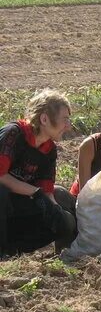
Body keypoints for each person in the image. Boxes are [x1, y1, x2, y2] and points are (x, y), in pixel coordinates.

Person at [0, 89, 77, 256]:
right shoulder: (13, 134)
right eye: (65, 119)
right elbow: (1, 175)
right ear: (44, 119)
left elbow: (47, 189)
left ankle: (14, 250)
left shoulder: (49, 149)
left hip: (17, 205)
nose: (68, 126)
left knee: (61, 203)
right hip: (4, 200)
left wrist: (57, 213)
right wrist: (36, 193)